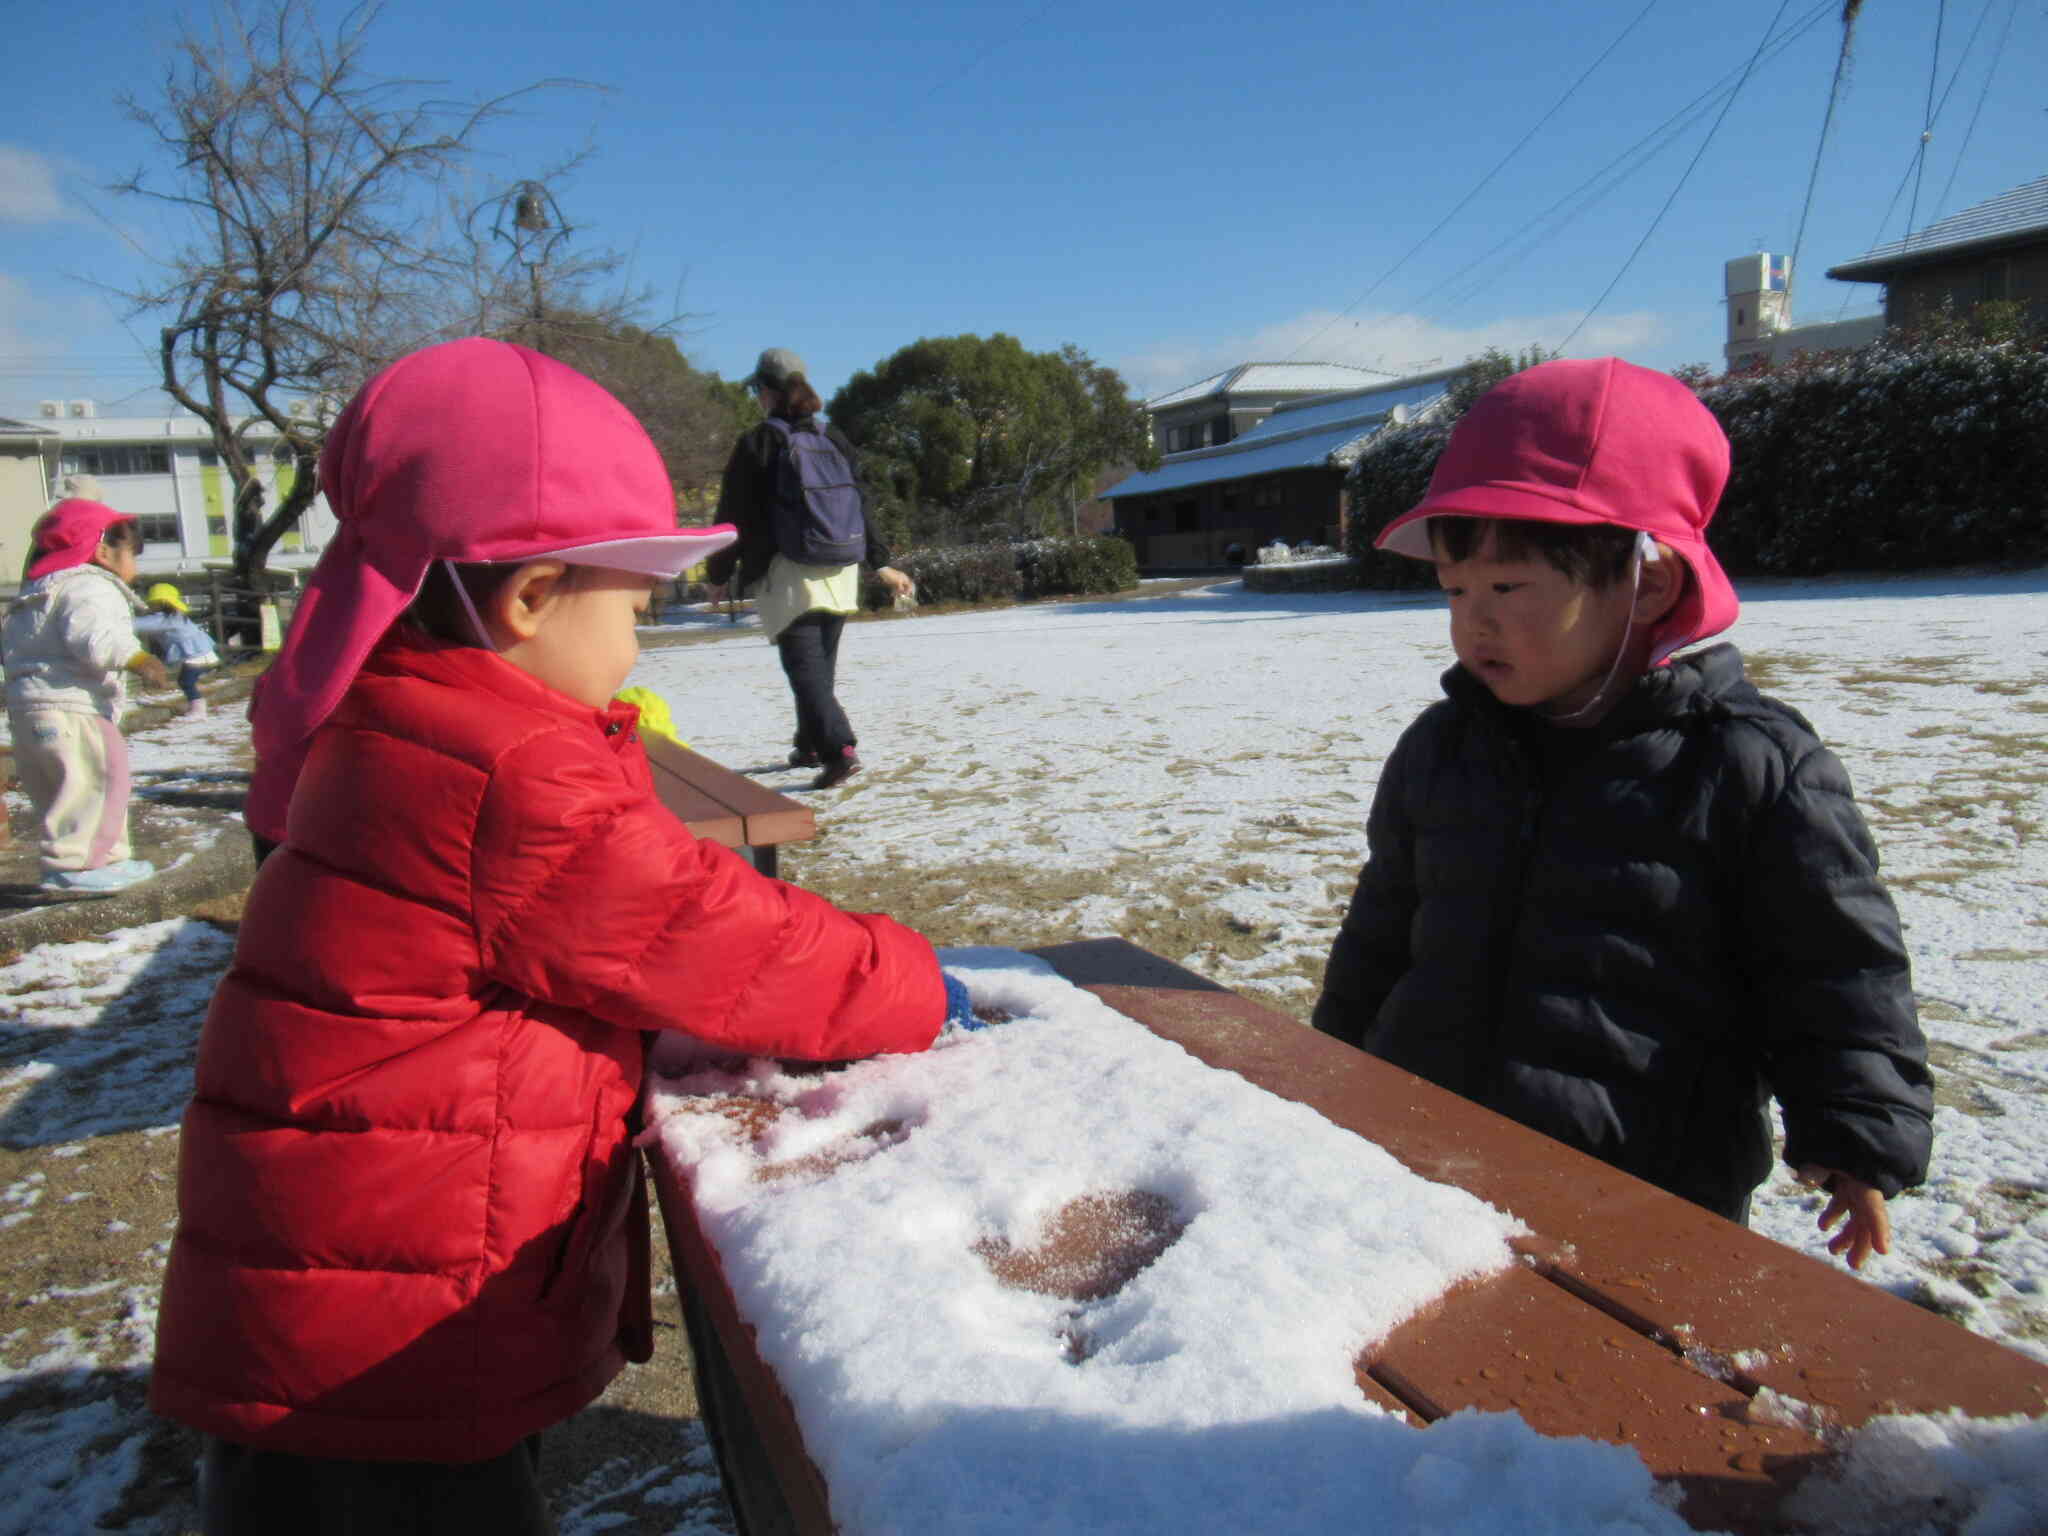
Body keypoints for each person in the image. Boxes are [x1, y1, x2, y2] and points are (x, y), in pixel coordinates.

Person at [151, 338, 977, 1534]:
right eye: (634, 606)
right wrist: (921, 985)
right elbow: (712, 930)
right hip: (384, 1332)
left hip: (337, 1286)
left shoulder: (404, 713)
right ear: (531, 598)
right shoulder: (506, 770)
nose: (639, 642)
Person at [1312, 357, 1932, 1270]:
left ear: (1648, 582)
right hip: (1420, 1160)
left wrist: (1858, 1138)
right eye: (1454, 591)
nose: (1471, 625)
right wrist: (1334, 1074)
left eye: (1509, 589)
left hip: (1642, 1200)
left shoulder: (1751, 768)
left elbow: (1836, 971)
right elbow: (1382, 931)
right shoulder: (1444, 749)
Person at [704, 347, 914, 789]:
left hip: (788, 572)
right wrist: (880, 563)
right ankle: (809, 743)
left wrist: (718, 573)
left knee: (806, 673)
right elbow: (861, 503)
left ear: (765, 391)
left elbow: (733, 514)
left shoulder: (759, 442)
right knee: (818, 670)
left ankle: (839, 752)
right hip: (839, 569)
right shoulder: (833, 436)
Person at [2, 498, 168, 894]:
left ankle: (84, 858)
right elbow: (95, 638)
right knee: (101, 782)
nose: (136, 565)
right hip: (78, 708)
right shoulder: (89, 586)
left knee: (60, 788)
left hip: (29, 713)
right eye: (134, 553)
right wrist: (138, 657)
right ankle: (82, 864)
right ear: (103, 551)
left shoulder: (33, 595)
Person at [134, 582, 221, 719]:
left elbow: (140, 624)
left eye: (153, 603)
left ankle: (199, 710)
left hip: (197, 655)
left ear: (161, 602)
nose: (150, 606)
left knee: (186, 682)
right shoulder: (176, 616)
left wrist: (121, 621)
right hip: (202, 653)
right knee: (186, 681)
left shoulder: (166, 620)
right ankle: (197, 706)